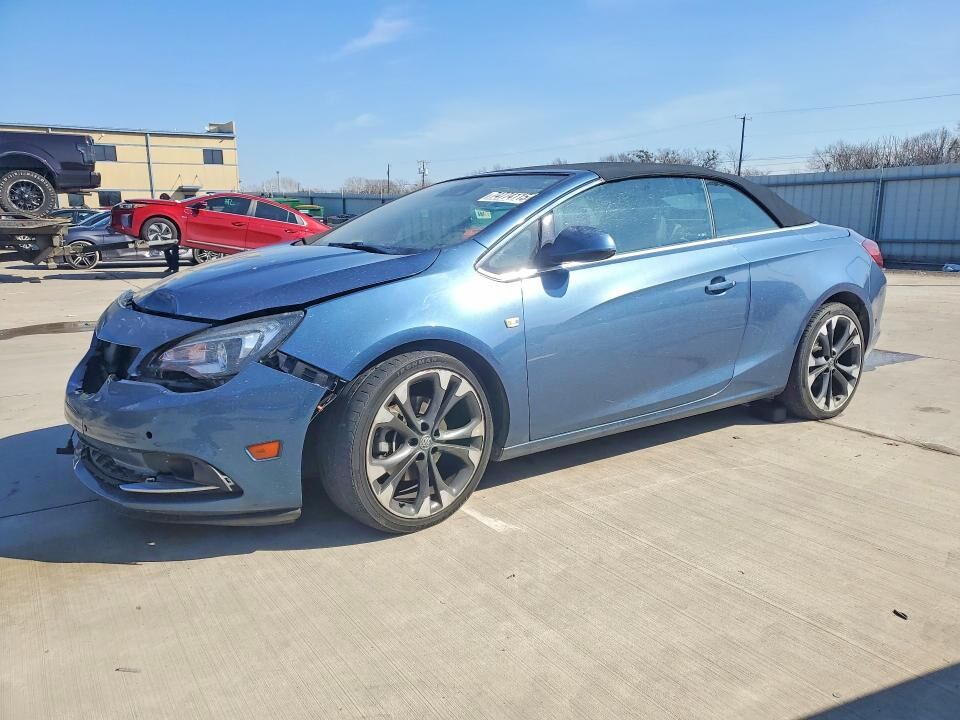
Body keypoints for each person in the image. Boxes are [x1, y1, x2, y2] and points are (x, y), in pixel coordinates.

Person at [156, 193, 179, 273]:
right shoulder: (162, 206)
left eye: (163, 199)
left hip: (174, 232)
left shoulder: (173, 205)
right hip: (165, 232)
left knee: (174, 250)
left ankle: (175, 268)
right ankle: (171, 267)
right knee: (166, 250)